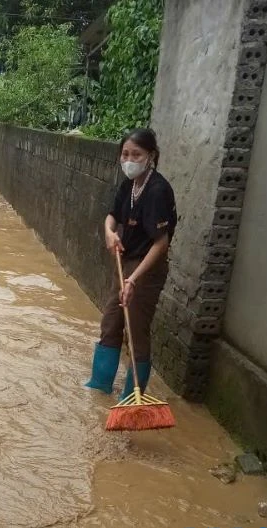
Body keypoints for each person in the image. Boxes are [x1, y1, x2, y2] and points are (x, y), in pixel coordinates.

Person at [85, 128, 177, 400]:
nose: (129, 159)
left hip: (146, 271)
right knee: (112, 321)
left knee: (136, 330)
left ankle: (130, 399)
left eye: (136, 154)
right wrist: (109, 232)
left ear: (151, 156)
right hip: (123, 264)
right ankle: (99, 385)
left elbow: (161, 244)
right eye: (125, 154)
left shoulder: (158, 191)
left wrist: (134, 280)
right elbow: (111, 217)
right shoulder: (129, 185)